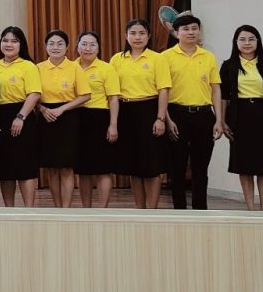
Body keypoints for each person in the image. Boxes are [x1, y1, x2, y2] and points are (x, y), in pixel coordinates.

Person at [161, 14, 224, 210]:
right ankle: (179, 210)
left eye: (194, 28)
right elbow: (162, 91)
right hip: (176, 114)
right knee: (177, 166)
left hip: (204, 115)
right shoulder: (165, 57)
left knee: (201, 167)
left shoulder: (208, 56)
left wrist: (219, 120)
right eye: (186, 29)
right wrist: (167, 119)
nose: (191, 32)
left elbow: (215, 89)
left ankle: (200, 209)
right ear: (176, 33)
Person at [109, 18, 171, 209]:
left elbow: (164, 90)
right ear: (126, 36)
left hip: (149, 110)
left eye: (142, 33)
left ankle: (152, 210)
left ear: (148, 36)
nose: (137, 37)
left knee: (151, 165)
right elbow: (112, 92)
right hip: (125, 112)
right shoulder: (116, 59)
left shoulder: (157, 59)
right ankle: (140, 210)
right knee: (133, 165)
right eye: (133, 33)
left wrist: (160, 118)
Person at [36, 30, 90, 208]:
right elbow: (32, 95)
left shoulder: (75, 67)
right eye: (51, 43)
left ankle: (66, 209)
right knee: (51, 168)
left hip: (69, 119)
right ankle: (57, 208)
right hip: (46, 118)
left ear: (67, 47)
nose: (55, 47)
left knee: (67, 167)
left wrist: (61, 109)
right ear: (46, 47)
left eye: (60, 44)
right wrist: (42, 109)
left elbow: (85, 95)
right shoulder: (38, 68)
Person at [219, 25, 263, 210]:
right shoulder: (228, 66)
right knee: (244, 165)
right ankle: (250, 208)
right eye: (242, 39)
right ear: (235, 42)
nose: (247, 43)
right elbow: (223, 96)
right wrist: (222, 121)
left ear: (258, 42)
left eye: (251, 39)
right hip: (239, 118)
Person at [0, 26, 42, 207]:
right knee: (5, 169)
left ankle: (28, 211)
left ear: (21, 45)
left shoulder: (28, 66)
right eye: (5, 40)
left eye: (14, 41)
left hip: (22, 116)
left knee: (25, 167)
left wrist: (20, 117)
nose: (9, 44)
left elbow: (34, 94)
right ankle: (9, 210)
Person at [74, 31, 121, 208]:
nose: (88, 48)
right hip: (77, 119)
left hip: (100, 118)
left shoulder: (107, 68)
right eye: (84, 44)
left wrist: (113, 125)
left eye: (92, 44)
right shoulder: (71, 67)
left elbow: (113, 98)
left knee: (103, 168)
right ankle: (86, 208)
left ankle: (102, 209)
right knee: (83, 169)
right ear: (77, 46)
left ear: (99, 48)